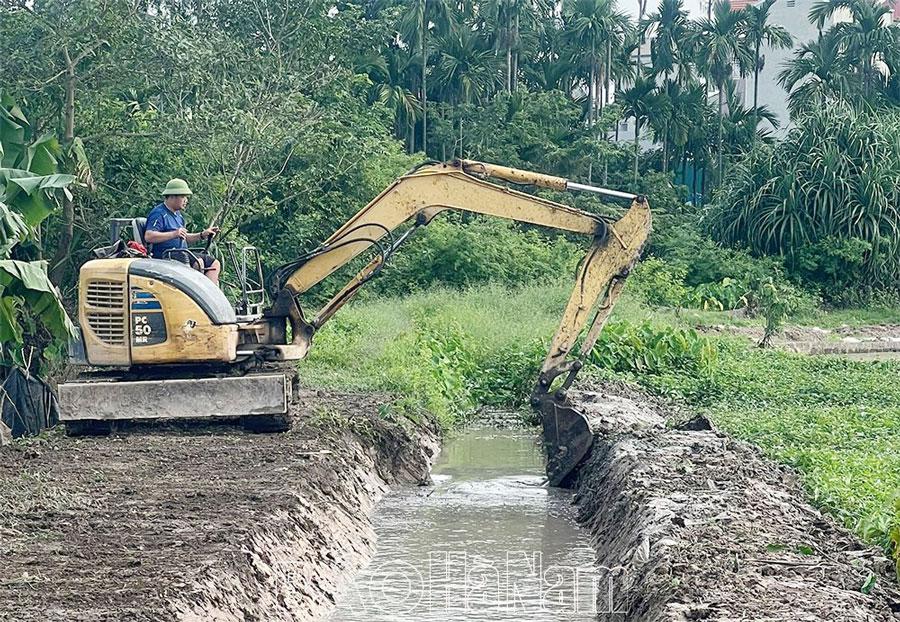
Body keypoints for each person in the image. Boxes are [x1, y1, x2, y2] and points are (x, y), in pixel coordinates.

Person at [144, 178, 221, 284]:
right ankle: (194, 295)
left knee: (214, 264)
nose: (186, 200)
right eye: (183, 196)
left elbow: (184, 237)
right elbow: (149, 236)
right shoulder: (159, 213)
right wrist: (174, 233)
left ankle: (211, 296)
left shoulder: (178, 215)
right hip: (167, 255)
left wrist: (202, 235)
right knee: (199, 263)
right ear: (172, 196)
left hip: (182, 253)